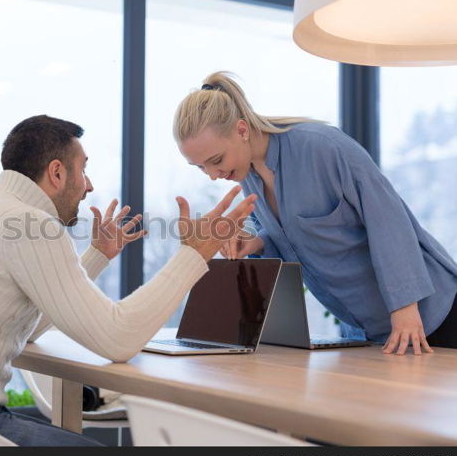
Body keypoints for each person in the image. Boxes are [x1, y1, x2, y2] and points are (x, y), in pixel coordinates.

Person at [0, 114, 256, 446]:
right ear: (56, 172)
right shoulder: (31, 224)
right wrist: (194, 253)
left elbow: (26, 326)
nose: (89, 186)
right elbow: (118, 339)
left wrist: (97, 256)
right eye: (83, 169)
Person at [173, 71, 457, 356]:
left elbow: (388, 220)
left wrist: (405, 307)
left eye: (216, 161)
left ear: (242, 130)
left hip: (430, 316)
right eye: (200, 167)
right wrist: (253, 242)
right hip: (369, 332)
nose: (212, 175)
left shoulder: (324, 147)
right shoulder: (246, 176)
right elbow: (288, 237)